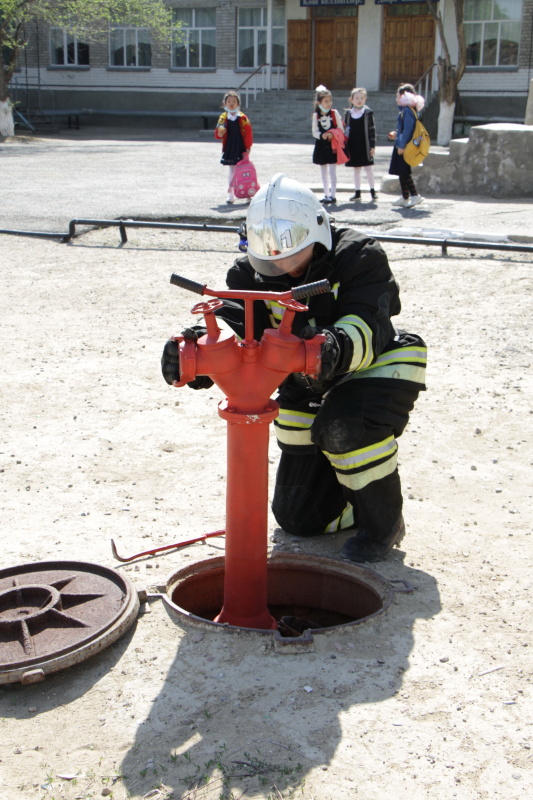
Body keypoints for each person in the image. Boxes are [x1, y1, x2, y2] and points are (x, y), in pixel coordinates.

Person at [161, 174, 427, 563]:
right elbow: (240, 333)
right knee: (297, 518)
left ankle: (382, 525)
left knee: (343, 429)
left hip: (379, 363)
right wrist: (199, 354)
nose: (281, 267)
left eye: (291, 255)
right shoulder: (248, 275)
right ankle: (350, 500)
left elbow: (370, 323)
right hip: (306, 379)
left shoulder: (360, 256)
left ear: (318, 234)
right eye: (269, 258)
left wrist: (332, 347)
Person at [388, 83, 425, 208]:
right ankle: (405, 196)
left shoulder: (407, 111)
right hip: (401, 144)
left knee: (404, 172)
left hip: (404, 146)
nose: (396, 98)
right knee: (400, 171)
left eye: (398, 96)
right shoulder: (405, 111)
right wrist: (396, 133)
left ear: (405, 97)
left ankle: (414, 195)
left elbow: (408, 130)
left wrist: (402, 145)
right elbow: (404, 129)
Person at [215, 90, 253, 204]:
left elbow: (248, 133)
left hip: (241, 146)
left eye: (234, 101)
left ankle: (247, 193)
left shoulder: (243, 118)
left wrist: (248, 147)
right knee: (232, 170)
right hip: (230, 147)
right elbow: (218, 132)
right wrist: (219, 133)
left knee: (244, 170)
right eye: (229, 101)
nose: (231, 103)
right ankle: (231, 195)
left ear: (238, 104)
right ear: (225, 104)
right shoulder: (223, 118)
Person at [312, 85, 345, 205]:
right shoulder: (316, 115)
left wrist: (333, 133)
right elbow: (314, 131)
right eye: (326, 101)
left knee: (332, 172)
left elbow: (341, 127)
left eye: (330, 101)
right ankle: (326, 194)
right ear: (319, 102)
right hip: (321, 145)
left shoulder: (334, 113)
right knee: (323, 172)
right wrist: (322, 135)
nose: (328, 103)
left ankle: (333, 195)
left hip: (332, 146)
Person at [344, 88, 377, 203]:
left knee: (368, 168)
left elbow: (372, 130)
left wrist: (372, 146)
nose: (359, 100)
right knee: (356, 169)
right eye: (356, 98)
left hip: (365, 144)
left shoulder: (368, 113)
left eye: (361, 98)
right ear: (351, 99)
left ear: (365, 99)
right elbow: (346, 129)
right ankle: (357, 192)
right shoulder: (348, 113)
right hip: (353, 144)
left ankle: (373, 191)